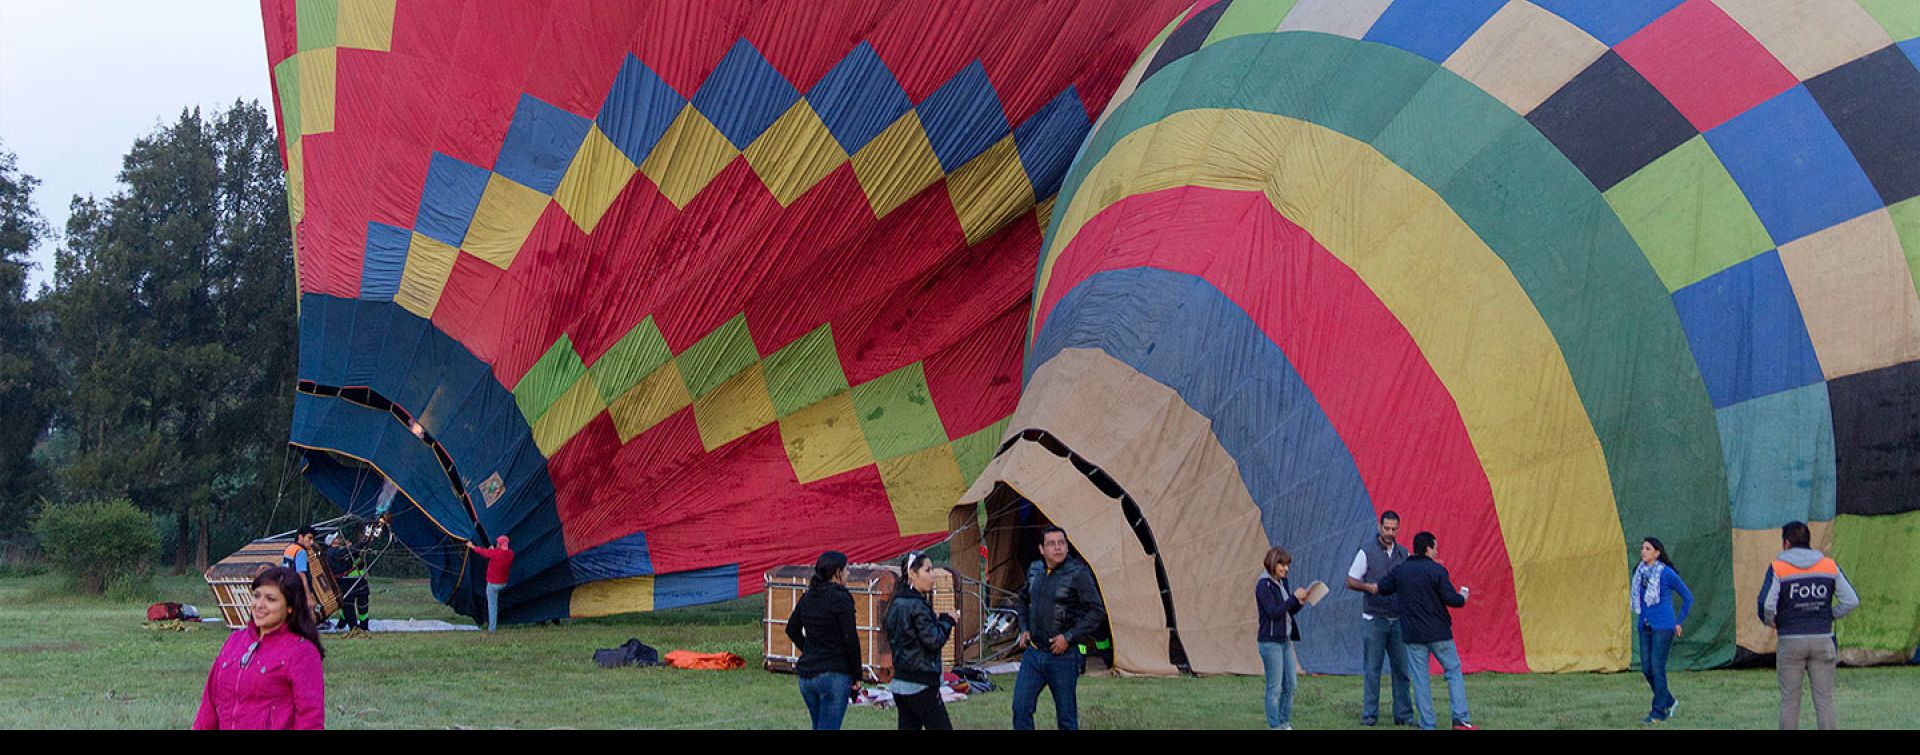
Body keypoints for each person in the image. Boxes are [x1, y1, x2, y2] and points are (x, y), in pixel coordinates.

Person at [193, 566, 326, 729]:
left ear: (290, 607)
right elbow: (209, 704)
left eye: (271, 599)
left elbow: (310, 717)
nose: (259, 605)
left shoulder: (302, 652)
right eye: (257, 596)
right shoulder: (235, 641)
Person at [1757, 520, 1858, 730]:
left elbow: (1766, 604)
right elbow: (1851, 600)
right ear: (1808, 541)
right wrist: (1829, 615)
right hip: (1822, 639)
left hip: (1790, 640)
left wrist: (1772, 621)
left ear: (1786, 543)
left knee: (1790, 702)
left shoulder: (1778, 568)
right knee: (1824, 702)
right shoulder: (1829, 566)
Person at [1011, 525, 1106, 730]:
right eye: (1051, 544)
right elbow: (1022, 600)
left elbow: (1096, 611)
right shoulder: (1035, 569)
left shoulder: (1078, 573)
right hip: (1034, 653)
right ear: (1041, 549)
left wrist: (1069, 636)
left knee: (1066, 718)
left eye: (1062, 543)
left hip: (1064, 656)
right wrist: (1024, 627)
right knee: (1021, 708)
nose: (1058, 548)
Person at [1376, 531, 1473, 731]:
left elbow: (1383, 587)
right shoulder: (1437, 571)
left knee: (1420, 679)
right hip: (1439, 633)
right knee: (1453, 671)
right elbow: (1452, 600)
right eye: (1435, 547)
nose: (1436, 551)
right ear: (1428, 548)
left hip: (1413, 634)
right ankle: (1460, 719)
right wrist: (1463, 596)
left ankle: (1427, 724)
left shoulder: (1401, 571)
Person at [1344, 510, 1413, 726]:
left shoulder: (1404, 554)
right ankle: (1369, 714)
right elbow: (1350, 580)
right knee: (1373, 669)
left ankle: (1403, 715)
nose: (1390, 532)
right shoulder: (1366, 552)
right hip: (1374, 619)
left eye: (1394, 529)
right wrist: (1369, 588)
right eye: (1387, 528)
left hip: (1398, 619)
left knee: (1402, 670)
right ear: (1379, 527)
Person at [785, 550, 860, 730]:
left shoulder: (808, 597)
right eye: (847, 569)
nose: (848, 573)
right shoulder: (841, 598)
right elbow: (850, 638)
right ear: (837, 573)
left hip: (808, 676)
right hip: (833, 674)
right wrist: (857, 675)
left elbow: (791, 629)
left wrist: (809, 649)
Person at [884, 550, 958, 730]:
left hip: (901, 681)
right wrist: (947, 622)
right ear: (912, 574)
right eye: (927, 570)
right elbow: (933, 640)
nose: (933, 576)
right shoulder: (917, 605)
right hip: (920, 683)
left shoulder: (896, 602)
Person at [1631, 537, 1693, 725]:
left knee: (1657, 667)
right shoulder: (1639, 573)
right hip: (1645, 625)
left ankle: (1658, 711)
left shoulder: (1666, 573)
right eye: (1642, 548)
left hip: (1663, 626)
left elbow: (1688, 597)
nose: (1643, 551)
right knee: (1647, 668)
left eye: (1648, 548)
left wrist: (1678, 622)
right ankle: (1669, 700)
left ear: (1657, 553)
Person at [1255, 546, 1310, 730]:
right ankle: (1274, 725)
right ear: (1273, 563)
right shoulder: (1263, 585)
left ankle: (1284, 722)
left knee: (1291, 685)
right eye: (1282, 565)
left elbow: (1288, 610)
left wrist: (1300, 602)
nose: (1286, 569)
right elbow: (1273, 612)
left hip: (1285, 640)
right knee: (1275, 687)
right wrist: (1293, 598)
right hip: (1270, 643)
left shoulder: (1282, 582)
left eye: (1287, 565)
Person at [325, 530, 371, 635]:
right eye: (337, 537)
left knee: (360, 604)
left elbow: (354, 558)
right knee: (349, 606)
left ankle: (362, 626)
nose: (340, 538)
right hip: (345, 582)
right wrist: (363, 541)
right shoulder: (334, 552)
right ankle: (354, 627)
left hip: (354, 581)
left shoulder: (338, 551)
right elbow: (349, 551)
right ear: (332, 542)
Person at [466, 535, 514, 632]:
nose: (496, 544)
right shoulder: (510, 554)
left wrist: (472, 546)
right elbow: (498, 554)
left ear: (500, 545)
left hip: (493, 584)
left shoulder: (495, 554)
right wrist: (494, 550)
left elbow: (482, 552)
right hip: (503, 583)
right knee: (495, 604)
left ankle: (492, 628)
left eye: (498, 543)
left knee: (492, 606)